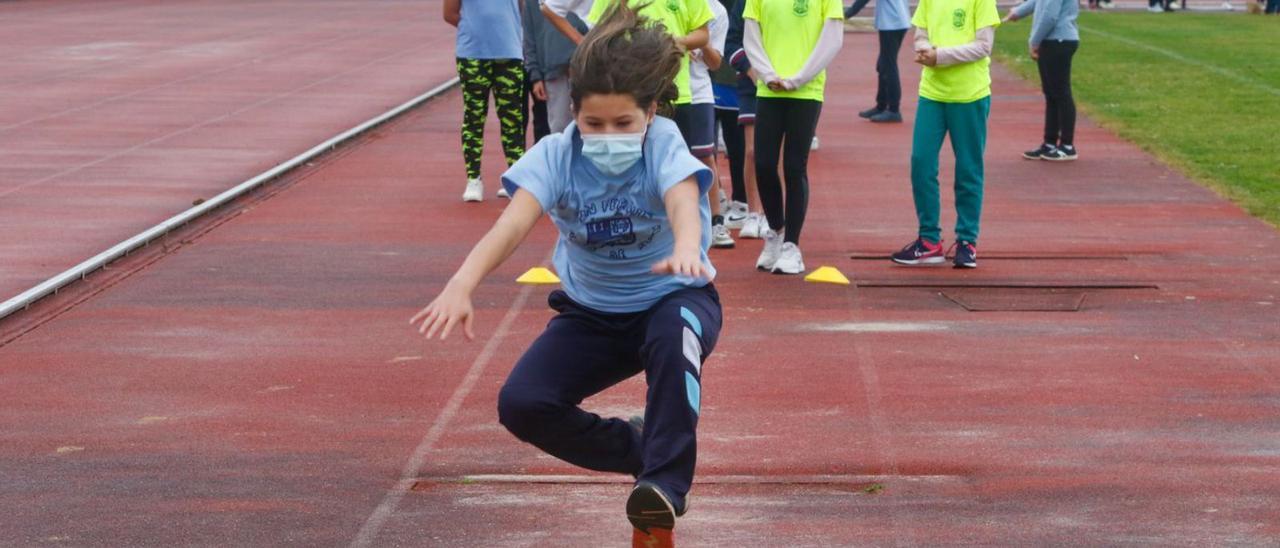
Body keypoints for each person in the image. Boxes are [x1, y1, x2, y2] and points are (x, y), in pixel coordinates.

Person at [410, 5, 721, 546]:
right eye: (593, 123)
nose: (608, 136)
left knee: (674, 342)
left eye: (623, 124)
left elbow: (681, 196)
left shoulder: (664, 142)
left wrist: (689, 246)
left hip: (674, 296)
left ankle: (666, 483)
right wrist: (461, 284)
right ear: (573, 111)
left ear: (649, 112)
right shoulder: (555, 156)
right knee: (523, 404)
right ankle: (639, 449)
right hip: (592, 316)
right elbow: (511, 226)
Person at [890, 0, 999, 269]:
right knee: (921, 162)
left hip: (969, 94)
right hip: (933, 92)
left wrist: (941, 56)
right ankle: (929, 241)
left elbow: (984, 45)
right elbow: (920, 34)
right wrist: (924, 49)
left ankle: (967, 241)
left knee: (968, 169)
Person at [744, 0, 845, 274]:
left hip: (806, 91)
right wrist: (768, 75)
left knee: (793, 166)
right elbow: (751, 35)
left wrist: (799, 77)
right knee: (763, 163)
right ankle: (775, 231)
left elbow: (832, 39)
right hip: (770, 90)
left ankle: (792, 245)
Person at [444, 0, 526, 202]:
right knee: (474, 116)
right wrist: (475, 29)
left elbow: (520, 9)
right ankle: (473, 179)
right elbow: (450, 14)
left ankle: (515, 178)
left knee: (512, 118)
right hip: (473, 54)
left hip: (509, 52)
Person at [1006, 0, 1080, 162]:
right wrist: (1019, 11)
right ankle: (1050, 143)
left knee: (1061, 93)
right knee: (1051, 94)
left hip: (1059, 39)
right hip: (1053, 40)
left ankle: (1067, 146)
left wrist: (1034, 40)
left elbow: (1050, 16)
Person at [688, 0, 736, 249]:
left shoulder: (716, 11)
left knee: (705, 155)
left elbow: (715, 62)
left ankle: (716, 222)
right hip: (661, 91)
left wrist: (699, 37)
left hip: (697, 91)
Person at [725, 0, 767, 239]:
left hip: (786, 82)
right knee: (751, 151)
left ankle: (774, 216)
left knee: (777, 155)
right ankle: (753, 213)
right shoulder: (744, 3)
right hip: (751, 84)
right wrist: (750, 70)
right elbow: (731, 41)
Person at [845, 0, 912, 123]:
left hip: (892, 22)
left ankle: (894, 110)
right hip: (897, 20)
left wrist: (848, 13)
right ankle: (881, 106)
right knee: (883, 65)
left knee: (889, 67)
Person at [524, 0, 581, 136]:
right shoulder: (532, 3)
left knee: (589, 123)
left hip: (585, 68)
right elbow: (529, 39)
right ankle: (562, 157)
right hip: (553, 71)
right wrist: (535, 76)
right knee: (559, 128)